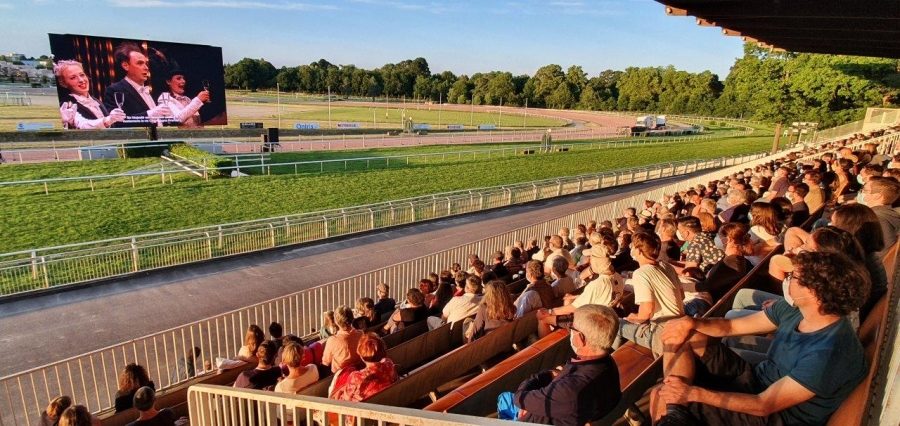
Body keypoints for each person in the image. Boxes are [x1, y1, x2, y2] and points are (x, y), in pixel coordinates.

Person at [651, 252, 870, 426]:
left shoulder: (828, 353)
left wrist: (693, 393)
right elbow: (731, 326)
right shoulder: (796, 308)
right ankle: (675, 412)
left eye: (794, 276)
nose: (787, 278)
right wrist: (693, 323)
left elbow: (764, 405)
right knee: (683, 334)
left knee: (659, 395)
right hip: (755, 380)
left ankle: (674, 411)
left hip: (775, 416)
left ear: (813, 293)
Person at [497, 305, 622, 426]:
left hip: (534, 417)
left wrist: (550, 374)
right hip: (561, 410)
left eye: (571, 327)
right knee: (505, 397)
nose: (570, 329)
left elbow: (520, 398)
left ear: (580, 338)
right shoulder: (608, 363)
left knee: (504, 399)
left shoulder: (569, 391)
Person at [537, 233, 624, 337]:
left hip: (591, 323)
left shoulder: (598, 284)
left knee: (543, 318)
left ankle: (545, 349)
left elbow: (573, 308)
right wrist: (574, 296)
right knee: (568, 299)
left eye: (591, 257)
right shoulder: (618, 277)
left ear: (596, 260)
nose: (590, 259)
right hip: (603, 314)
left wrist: (549, 311)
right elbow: (598, 297)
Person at [616, 232, 684, 355]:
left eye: (633, 246)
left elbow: (646, 312)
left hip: (662, 333)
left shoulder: (641, 273)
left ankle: (620, 361)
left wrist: (634, 317)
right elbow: (682, 295)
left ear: (639, 250)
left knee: (616, 324)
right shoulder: (666, 266)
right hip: (679, 324)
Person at [102, 42, 170, 126]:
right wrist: (149, 114)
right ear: (125, 66)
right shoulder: (114, 90)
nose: (146, 68)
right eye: (140, 63)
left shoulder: (149, 90)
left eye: (145, 63)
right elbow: (117, 124)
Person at [53, 60, 125, 129]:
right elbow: (83, 125)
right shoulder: (67, 105)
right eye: (73, 78)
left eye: (82, 75)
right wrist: (107, 120)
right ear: (64, 83)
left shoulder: (96, 101)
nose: (81, 80)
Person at [330, 333, 398, 402]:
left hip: (362, 410)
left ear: (361, 356)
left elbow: (344, 400)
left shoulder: (356, 377)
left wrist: (338, 392)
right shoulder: (388, 364)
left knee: (338, 378)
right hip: (386, 402)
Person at [322, 306, 364, 373]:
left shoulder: (332, 340)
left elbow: (326, 362)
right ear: (352, 318)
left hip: (341, 375)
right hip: (358, 369)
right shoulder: (361, 334)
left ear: (336, 321)